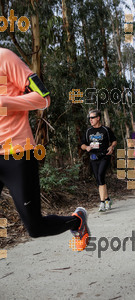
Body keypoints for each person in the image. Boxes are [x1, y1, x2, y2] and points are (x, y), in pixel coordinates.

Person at [0, 47, 90, 251]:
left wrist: (5, 103)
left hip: (17, 152)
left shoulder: (5, 58)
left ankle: (77, 222)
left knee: (35, 227)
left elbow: (44, 98)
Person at [81, 110, 117, 212]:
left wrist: (111, 147)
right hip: (93, 158)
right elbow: (82, 144)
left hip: (104, 156)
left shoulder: (106, 130)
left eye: (92, 118)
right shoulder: (88, 131)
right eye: (89, 118)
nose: (90, 120)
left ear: (98, 118)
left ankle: (102, 203)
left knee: (101, 176)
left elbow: (114, 140)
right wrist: (86, 147)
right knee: (99, 180)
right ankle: (107, 199)